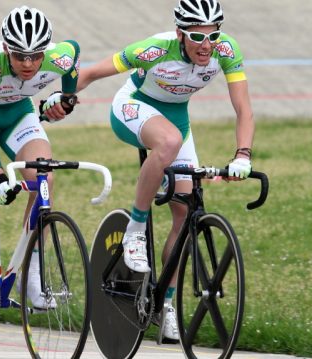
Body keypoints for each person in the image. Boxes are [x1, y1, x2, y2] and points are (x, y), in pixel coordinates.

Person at [77, 0, 254, 342]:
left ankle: (166, 306)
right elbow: (91, 74)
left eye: (213, 35)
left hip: (175, 119)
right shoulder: (154, 49)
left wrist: (242, 155)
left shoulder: (226, 50)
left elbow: (244, 108)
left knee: (184, 210)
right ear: (179, 33)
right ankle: (135, 229)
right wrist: (64, 97)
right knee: (169, 142)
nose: (206, 45)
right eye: (196, 36)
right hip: (133, 107)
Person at [0, 6, 80, 309]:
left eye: (36, 56)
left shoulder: (60, 55)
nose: (29, 63)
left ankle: (30, 270)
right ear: (6, 48)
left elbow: (74, 56)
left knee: (44, 177)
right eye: (20, 56)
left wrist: (65, 99)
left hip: (17, 110)